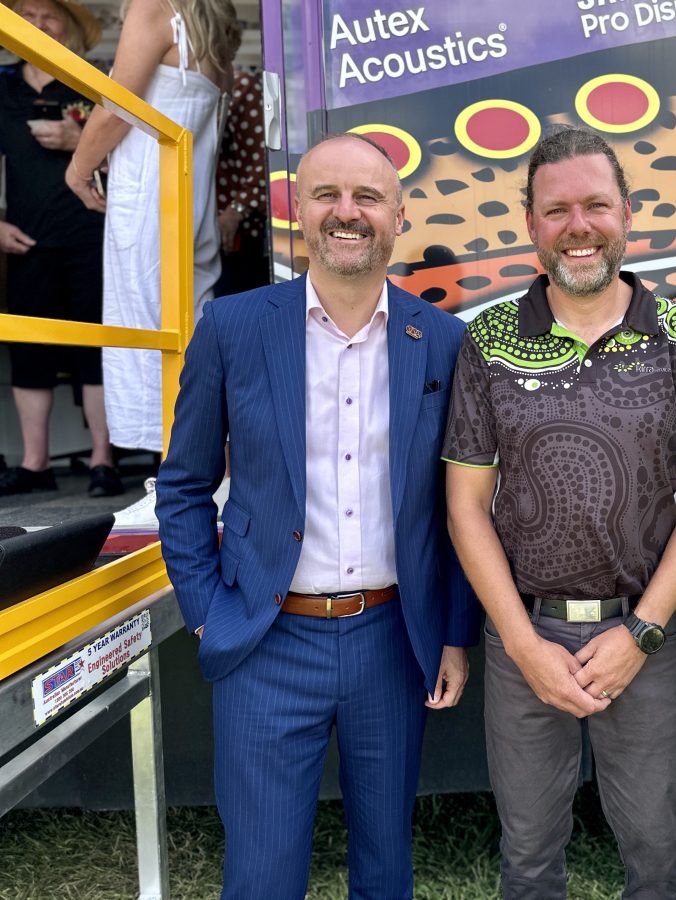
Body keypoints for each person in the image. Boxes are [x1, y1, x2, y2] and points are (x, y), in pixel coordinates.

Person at [155, 132, 478, 899]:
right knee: (261, 878)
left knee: (385, 874)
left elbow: (463, 507)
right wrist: (206, 612)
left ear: (398, 215)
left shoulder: (443, 342)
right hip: (266, 641)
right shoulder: (232, 328)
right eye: (328, 194)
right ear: (298, 210)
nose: (348, 212)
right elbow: (184, 485)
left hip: (391, 643)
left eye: (368, 196)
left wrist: (456, 634)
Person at [443, 126, 676, 899]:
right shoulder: (490, 340)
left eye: (596, 205)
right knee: (529, 863)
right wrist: (521, 642)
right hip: (522, 641)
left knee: (659, 863)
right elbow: (466, 506)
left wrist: (640, 634)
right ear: (530, 224)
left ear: (628, 214)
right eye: (557, 209)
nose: (578, 226)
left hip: (642, 635)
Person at [66, 0, 238, 459]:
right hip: (192, 197)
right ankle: (205, 474)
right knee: (191, 334)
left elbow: (117, 107)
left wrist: (79, 169)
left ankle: (173, 472)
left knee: (145, 328)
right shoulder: (212, 28)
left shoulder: (154, 8)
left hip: (150, 195)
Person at [0, 0, 121, 497]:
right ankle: (34, 465)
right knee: (29, 347)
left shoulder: (96, 81)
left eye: (48, 15)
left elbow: (136, 158)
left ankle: (103, 460)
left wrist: (81, 139)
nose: (37, 24)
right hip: (25, 238)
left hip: (92, 232)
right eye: (25, 14)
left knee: (99, 346)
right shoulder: (2, 83)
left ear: (71, 26)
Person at [213, 66, 269, 297]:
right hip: (206, 229)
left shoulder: (241, 87)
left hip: (238, 233)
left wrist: (236, 210)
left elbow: (264, 161)